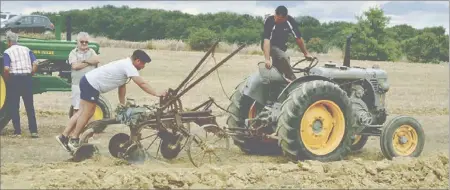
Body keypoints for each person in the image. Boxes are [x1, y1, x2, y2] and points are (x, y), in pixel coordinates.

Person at [55, 49, 168, 152]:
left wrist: (122, 104)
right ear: (138, 61)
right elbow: (142, 83)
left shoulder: (125, 64)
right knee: (87, 112)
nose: (143, 67)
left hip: (87, 80)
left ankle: (64, 136)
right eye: (143, 64)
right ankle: (74, 139)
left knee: (81, 112)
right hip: (92, 84)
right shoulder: (128, 66)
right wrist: (156, 93)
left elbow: (122, 86)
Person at [261, 5, 313, 82]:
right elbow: (267, 40)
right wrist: (267, 59)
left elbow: (298, 38)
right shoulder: (270, 20)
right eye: (276, 17)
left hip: (281, 47)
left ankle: (278, 83)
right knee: (283, 57)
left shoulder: (290, 21)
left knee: (281, 66)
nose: (276, 20)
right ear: (275, 13)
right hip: (269, 46)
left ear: (285, 17)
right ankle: (293, 80)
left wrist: (306, 53)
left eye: (279, 20)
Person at [2, 31, 39, 138]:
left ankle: (18, 132)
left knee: (14, 106)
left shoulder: (7, 52)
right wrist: (32, 72)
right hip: (27, 79)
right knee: (29, 106)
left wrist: (8, 78)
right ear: (17, 40)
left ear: (8, 41)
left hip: (14, 79)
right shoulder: (26, 49)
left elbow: (6, 68)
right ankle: (33, 131)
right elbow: (36, 63)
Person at [68, 32, 99, 115]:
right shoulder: (73, 53)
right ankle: (76, 127)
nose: (84, 43)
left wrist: (83, 61)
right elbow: (75, 66)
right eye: (82, 42)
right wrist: (89, 62)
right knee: (77, 108)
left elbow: (96, 60)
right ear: (77, 42)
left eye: (86, 42)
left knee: (90, 108)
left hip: (90, 84)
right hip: (77, 84)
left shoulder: (92, 51)